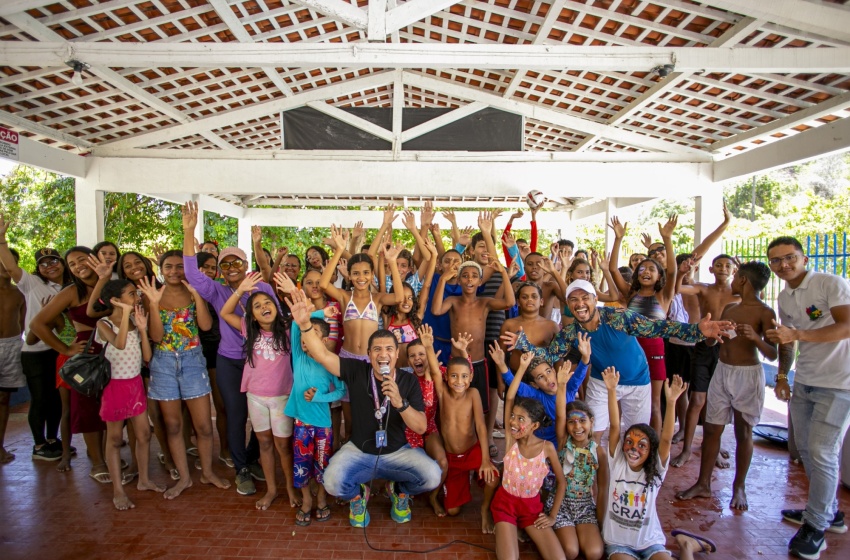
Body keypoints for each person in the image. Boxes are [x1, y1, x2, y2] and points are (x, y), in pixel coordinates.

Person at [504, 280, 731, 446]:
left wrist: (696, 330)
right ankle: (591, 483)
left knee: (635, 433)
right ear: (569, 305)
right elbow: (551, 355)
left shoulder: (618, 317)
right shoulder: (571, 332)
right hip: (601, 382)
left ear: (595, 299)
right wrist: (524, 343)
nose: (580, 304)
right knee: (593, 433)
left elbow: (659, 327)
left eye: (585, 298)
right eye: (574, 300)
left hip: (637, 381)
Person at [287, 288, 441, 528]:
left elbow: (420, 426)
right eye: (377, 350)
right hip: (360, 450)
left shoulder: (408, 380)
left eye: (389, 349)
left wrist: (400, 403)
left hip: (398, 451)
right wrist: (306, 325)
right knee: (332, 482)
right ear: (368, 355)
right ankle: (358, 497)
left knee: (432, 475)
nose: (383, 354)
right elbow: (321, 355)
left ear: (396, 353)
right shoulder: (357, 371)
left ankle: (398, 491)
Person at [182, 201, 276, 496]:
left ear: (246, 266)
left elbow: (276, 321)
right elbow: (192, 274)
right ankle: (242, 469)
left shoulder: (263, 288)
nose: (232, 268)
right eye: (226, 264)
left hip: (262, 362)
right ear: (221, 270)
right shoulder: (217, 290)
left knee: (265, 415)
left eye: (237, 263)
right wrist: (188, 232)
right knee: (236, 415)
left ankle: (251, 456)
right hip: (230, 361)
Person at [765, 236, 850, 559]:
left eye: (789, 258)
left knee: (823, 451)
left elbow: (847, 326)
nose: (783, 265)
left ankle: (816, 528)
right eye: (776, 261)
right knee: (805, 450)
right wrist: (783, 376)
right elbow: (787, 343)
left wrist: (798, 334)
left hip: (840, 383)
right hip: (806, 380)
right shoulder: (786, 298)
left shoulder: (831, 284)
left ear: (804, 258)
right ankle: (829, 512)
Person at [676, 262, 776, 511]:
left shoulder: (766, 313)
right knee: (711, 429)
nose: (731, 280)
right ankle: (703, 483)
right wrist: (712, 335)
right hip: (722, 371)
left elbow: (773, 354)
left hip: (747, 374)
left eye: (736, 276)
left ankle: (739, 486)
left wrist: (755, 337)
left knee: (744, 432)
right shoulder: (731, 308)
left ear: (742, 280)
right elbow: (715, 342)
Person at [140, 250, 231, 499]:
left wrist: (197, 296)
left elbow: (205, 326)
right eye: (168, 267)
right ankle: (185, 478)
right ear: (160, 269)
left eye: (179, 267)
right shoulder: (153, 295)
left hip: (193, 362)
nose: (174, 272)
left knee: (202, 426)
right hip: (163, 364)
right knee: (173, 425)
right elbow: (156, 337)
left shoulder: (195, 293)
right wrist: (153, 304)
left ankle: (208, 473)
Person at [602, 366, 717, 560]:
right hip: (619, 543)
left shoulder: (656, 470)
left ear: (651, 452)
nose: (633, 448)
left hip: (650, 541)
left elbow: (665, 439)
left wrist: (671, 402)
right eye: (629, 442)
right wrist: (612, 391)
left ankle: (687, 545)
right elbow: (615, 426)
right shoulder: (617, 463)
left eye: (641, 445)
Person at [220, 272, 299, 510]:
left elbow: (302, 311)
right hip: (255, 397)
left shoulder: (289, 329)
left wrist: (292, 291)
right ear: (251, 316)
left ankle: (290, 488)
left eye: (267, 303)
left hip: (282, 398)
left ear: (276, 307)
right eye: (257, 305)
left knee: (283, 446)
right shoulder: (248, 328)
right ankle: (272, 490)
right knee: (264, 443)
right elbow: (225, 313)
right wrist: (240, 290)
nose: (264, 307)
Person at [30, 246, 108, 479]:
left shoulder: (110, 284)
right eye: (72, 264)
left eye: (82, 260)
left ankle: (106, 455)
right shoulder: (72, 291)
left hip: (116, 350)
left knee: (109, 409)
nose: (77, 266)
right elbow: (37, 324)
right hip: (87, 354)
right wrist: (65, 348)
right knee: (86, 410)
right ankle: (98, 463)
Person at [0, 215, 68, 462]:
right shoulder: (31, 284)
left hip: (60, 350)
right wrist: (1, 240)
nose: (50, 266)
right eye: (43, 263)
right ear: (37, 268)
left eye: (54, 261)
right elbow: (10, 266)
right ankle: (39, 444)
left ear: (62, 263)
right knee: (40, 399)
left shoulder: (71, 287)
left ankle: (53, 438)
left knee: (57, 399)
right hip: (35, 352)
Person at [93, 280, 165, 509]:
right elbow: (120, 343)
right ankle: (118, 490)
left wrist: (143, 330)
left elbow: (146, 357)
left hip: (134, 384)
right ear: (115, 300)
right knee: (114, 438)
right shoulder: (103, 323)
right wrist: (125, 315)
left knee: (143, 434)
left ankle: (144, 479)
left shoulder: (135, 320)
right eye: (131, 294)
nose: (137, 297)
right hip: (113, 386)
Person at [422, 328, 499, 533]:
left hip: (472, 451)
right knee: (454, 511)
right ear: (447, 377)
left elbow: (481, 427)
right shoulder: (443, 392)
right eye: (454, 376)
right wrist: (428, 346)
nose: (459, 381)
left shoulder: (473, 394)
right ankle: (436, 495)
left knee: (494, 478)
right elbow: (436, 372)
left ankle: (484, 510)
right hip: (452, 456)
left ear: (470, 378)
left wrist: (484, 459)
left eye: (464, 376)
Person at [609, 215, 679, 434]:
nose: (646, 271)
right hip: (629, 350)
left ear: (659, 276)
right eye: (641, 269)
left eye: (651, 269)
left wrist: (667, 238)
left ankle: (654, 446)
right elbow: (612, 270)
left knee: (654, 404)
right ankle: (623, 440)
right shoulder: (630, 294)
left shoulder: (664, 296)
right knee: (623, 400)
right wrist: (618, 238)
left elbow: (673, 271)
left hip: (654, 349)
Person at [493, 351, 566, 560]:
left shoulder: (547, 448)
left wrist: (552, 516)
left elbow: (561, 482)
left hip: (532, 509)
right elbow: (510, 397)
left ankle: (521, 528)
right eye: (513, 417)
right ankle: (507, 527)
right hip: (505, 505)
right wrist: (522, 368)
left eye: (521, 419)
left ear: (534, 425)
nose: (514, 422)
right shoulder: (510, 440)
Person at [431, 247, 516, 423]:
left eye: (474, 276)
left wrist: (503, 273)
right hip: (457, 363)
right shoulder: (452, 301)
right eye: (465, 276)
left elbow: (509, 302)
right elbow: (436, 309)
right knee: (454, 405)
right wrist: (443, 280)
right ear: (459, 280)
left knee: (480, 409)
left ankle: (480, 442)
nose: (470, 279)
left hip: (478, 363)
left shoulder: (484, 303)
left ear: (479, 282)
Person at [671, 254, 739, 468]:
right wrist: (682, 272)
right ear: (711, 269)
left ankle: (713, 448)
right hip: (704, 345)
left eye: (728, 266)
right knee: (697, 400)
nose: (723, 269)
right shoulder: (703, 288)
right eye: (718, 265)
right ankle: (686, 450)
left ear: (734, 271)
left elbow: (759, 295)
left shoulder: (738, 293)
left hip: (728, 349)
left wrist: (746, 274)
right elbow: (677, 289)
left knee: (718, 403)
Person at [284, 294, 346, 525]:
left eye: (313, 337)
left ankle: (321, 498)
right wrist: (320, 313)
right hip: (301, 423)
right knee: (301, 466)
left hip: (323, 425)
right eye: (303, 337)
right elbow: (297, 323)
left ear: (324, 341)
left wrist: (321, 397)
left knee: (322, 464)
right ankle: (306, 500)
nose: (305, 341)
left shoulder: (329, 361)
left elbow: (340, 391)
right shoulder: (298, 357)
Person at [490, 336, 589, 448]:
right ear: (534, 384)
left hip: (566, 444)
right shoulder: (536, 395)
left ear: (553, 370)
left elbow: (579, 374)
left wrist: (585, 357)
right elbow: (513, 383)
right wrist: (501, 364)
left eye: (548, 372)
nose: (548, 379)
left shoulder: (568, 387)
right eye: (540, 377)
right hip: (543, 447)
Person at [551, 378, 604, 560]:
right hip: (561, 504)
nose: (577, 426)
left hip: (585, 507)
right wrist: (562, 385)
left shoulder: (598, 451)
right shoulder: (564, 442)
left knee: (594, 553)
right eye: (571, 422)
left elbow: (602, 489)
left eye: (582, 421)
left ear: (591, 422)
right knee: (570, 551)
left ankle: (579, 532)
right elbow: (559, 415)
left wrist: (601, 520)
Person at [196, 251, 231, 468]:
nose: (209, 271)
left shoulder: (218, 290)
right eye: (204, 267)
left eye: (212, 267)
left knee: (222, 405)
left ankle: (225, 449)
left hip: (218, 352)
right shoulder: (187, 290)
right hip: (191, 354)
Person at [0, 247, 25, 463]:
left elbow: (24, 322)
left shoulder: (19, 292)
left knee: (4, 398)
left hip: (11, 345)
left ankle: (0, 448)